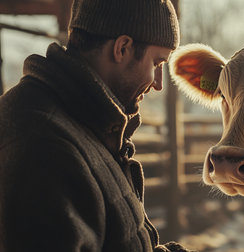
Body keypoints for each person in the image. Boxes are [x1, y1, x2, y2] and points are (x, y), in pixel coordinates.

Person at [0, 0, 194, 251]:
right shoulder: (41, 146)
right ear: (122, 48)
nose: (158, 84)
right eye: (157, 64)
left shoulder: (88, 126)